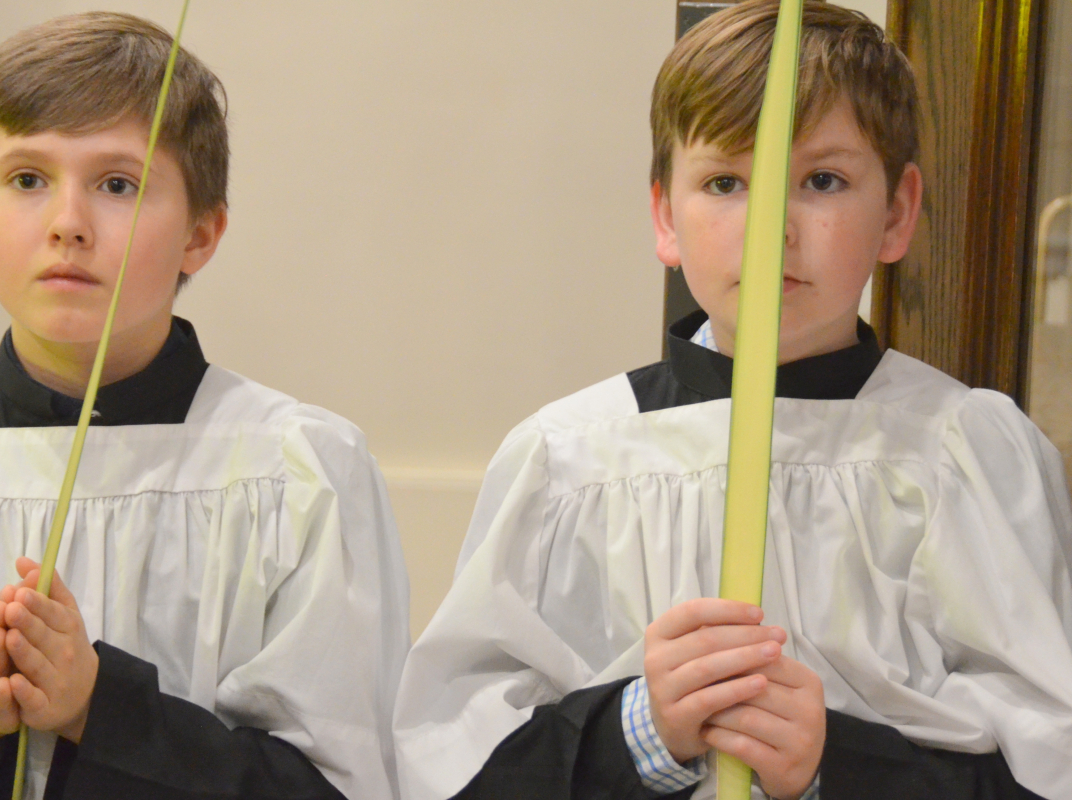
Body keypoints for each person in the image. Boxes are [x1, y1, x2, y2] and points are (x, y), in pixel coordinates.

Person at [393, 2, 1072, 799]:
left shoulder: (966, 455)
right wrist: (639, 731)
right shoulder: (567, 460)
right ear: (664, 217)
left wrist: (836, 763)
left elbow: (1044, 769)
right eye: (725, 182)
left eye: (821, 180)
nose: (770, 229)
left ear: (896, 213)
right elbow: (458, 769)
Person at [0, 12, 409, 800]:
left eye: (117, 184)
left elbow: (340, 782)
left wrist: (101, 708)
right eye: (27, 179)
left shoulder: (300, 474)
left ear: (201, 233)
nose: (67, 226)